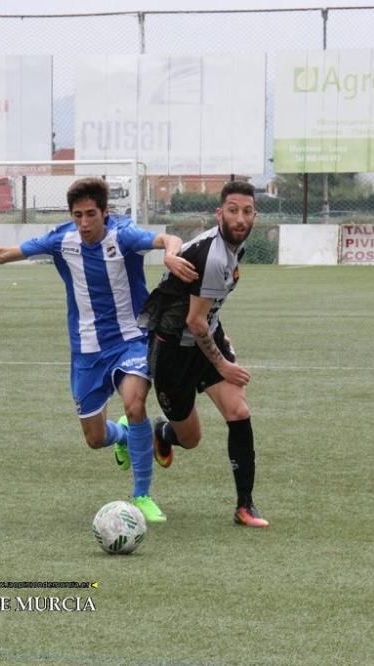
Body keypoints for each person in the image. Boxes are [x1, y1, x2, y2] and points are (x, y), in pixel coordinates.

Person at [0, 177, 197, 524]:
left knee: (135, 402)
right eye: (78, 215)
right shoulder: (61, 239)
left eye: (91, 215)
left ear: (105, 212)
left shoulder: (124, 235)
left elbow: (168, 238)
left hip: (131, 339)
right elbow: (4, 255)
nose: (84, 223)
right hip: (86, 350)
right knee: (95, 438)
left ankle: (142, 495)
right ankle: (125, 435)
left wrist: (171, 254)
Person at [137, 180, 269, 528]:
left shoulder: (232, 244)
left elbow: (202, 315)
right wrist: (224, 363)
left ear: (255, 214)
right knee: (190, 438)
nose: (240, 218)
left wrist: (220, 336)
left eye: (247, 211)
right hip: (173, 354)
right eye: (232, 210)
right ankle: (163, 432)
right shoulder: (213, 255)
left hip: (204, 334)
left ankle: (245, 506)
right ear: (219, 213)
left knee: (238, 410)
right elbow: (195, 322)